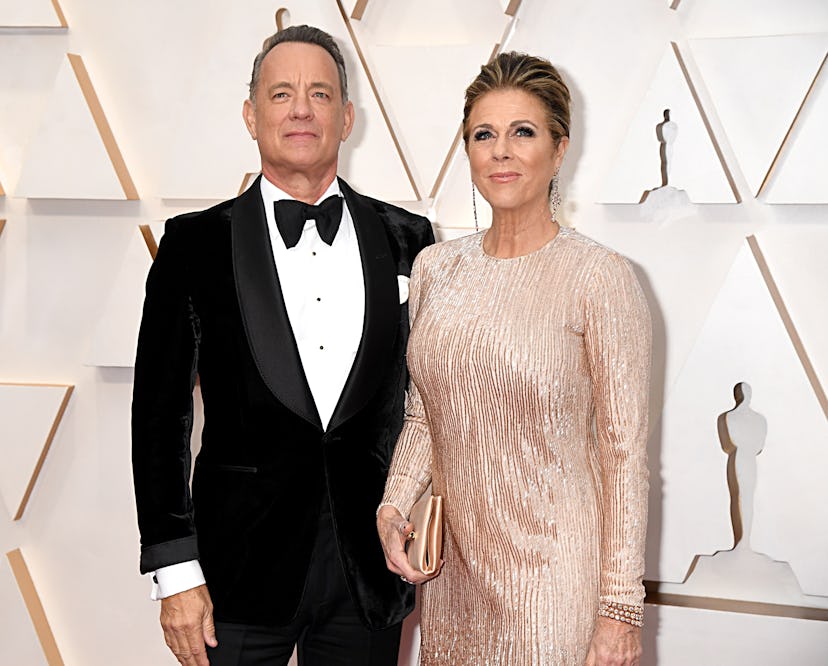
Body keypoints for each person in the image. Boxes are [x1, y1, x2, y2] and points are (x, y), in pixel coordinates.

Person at [132, 25, 434, 666]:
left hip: (369, 569)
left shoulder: (409, 237)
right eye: (281, 94)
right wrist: (175, 573)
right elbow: (158, 419)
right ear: (251, 115)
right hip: (234, 576)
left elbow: (428, 400)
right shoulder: (193, 245)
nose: (301, 108)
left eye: (320, 94)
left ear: (347, 117)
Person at [377, 52, 652, 665]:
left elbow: (624, 453)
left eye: (522, 132)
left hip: (553, 584)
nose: (500, 151)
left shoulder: (600, 279)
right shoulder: (435, 270)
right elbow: (425, 413)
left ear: (559, 151)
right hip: (453, 580)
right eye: (484, 135)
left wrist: (620, 610)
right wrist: (394, 504)